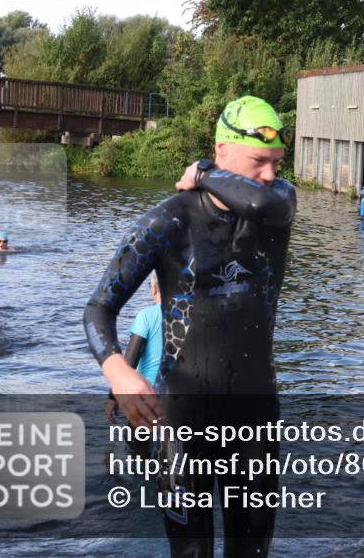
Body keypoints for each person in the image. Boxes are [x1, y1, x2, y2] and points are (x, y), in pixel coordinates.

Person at [84, 95, 296, 557]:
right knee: (191, 553)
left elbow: (259, 198)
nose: (271, 174)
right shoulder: (168, 221)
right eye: (259, 161)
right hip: (182, 419)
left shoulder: (277, 206)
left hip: (254, 416)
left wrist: (201, 173)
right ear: (223, 149)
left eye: (277, 162)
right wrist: (118, 370)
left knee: (252, 552)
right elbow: (99, 308)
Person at [105, 275, 163, 437]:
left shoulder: (146, 316)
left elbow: (130, 361)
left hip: (147, 398)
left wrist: (113, 397)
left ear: (154, 288)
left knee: (138, 453)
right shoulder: (188, 315)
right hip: (180, 396)